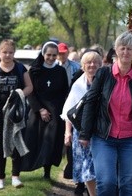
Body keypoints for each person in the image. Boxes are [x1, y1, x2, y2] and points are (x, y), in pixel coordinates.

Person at [79, 31, 132, 195]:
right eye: (122, 48)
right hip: (103, 137)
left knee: (129, 185)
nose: (125, 52)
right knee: (107, 182)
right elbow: (91, 102)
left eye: (130, 49)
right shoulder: (103, 74)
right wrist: (85, 133)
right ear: (116, 50)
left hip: (131, 139)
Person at [0, 39, 34, 190]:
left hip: (17, 111)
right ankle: (0, 179)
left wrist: (20, 94)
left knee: (17, 143)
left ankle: (15, 177)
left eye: (10, 52)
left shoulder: (20, 68)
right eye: (4, 52)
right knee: (0, 146)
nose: (7, 55)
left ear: (14, 53)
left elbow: (29, 87)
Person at [21, 41, 68, 179]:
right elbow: (30, 92)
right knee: (35, 140)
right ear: (43, 54)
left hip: (55, 111)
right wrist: (40, 109)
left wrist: (57, 109)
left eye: (54, 55)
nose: (51, 58)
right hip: (37, 110)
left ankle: (47, 172)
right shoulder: (34, 70)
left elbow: (64, 91)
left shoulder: (61, 71)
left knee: (51, 142)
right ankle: (22, 168)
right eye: (49, 55)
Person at [61, 51, 102, 196]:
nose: (92, 65)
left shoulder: (105, 81)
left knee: (101, 168)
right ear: (83, 66)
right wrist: (68, 132)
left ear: (100, 64)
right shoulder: (78, 85)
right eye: (88, 63)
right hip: (82, 133)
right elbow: (69, 111)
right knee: (88, 168)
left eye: (95, 62)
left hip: (101, 131)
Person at [57, 42, 82, 186]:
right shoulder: (55, 66)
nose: (62, 55)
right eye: (60, 53)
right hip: (60, 103)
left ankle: (71, 166)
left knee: (71, 135)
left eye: (64, 52)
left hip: (73, 101)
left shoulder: (76, 67)